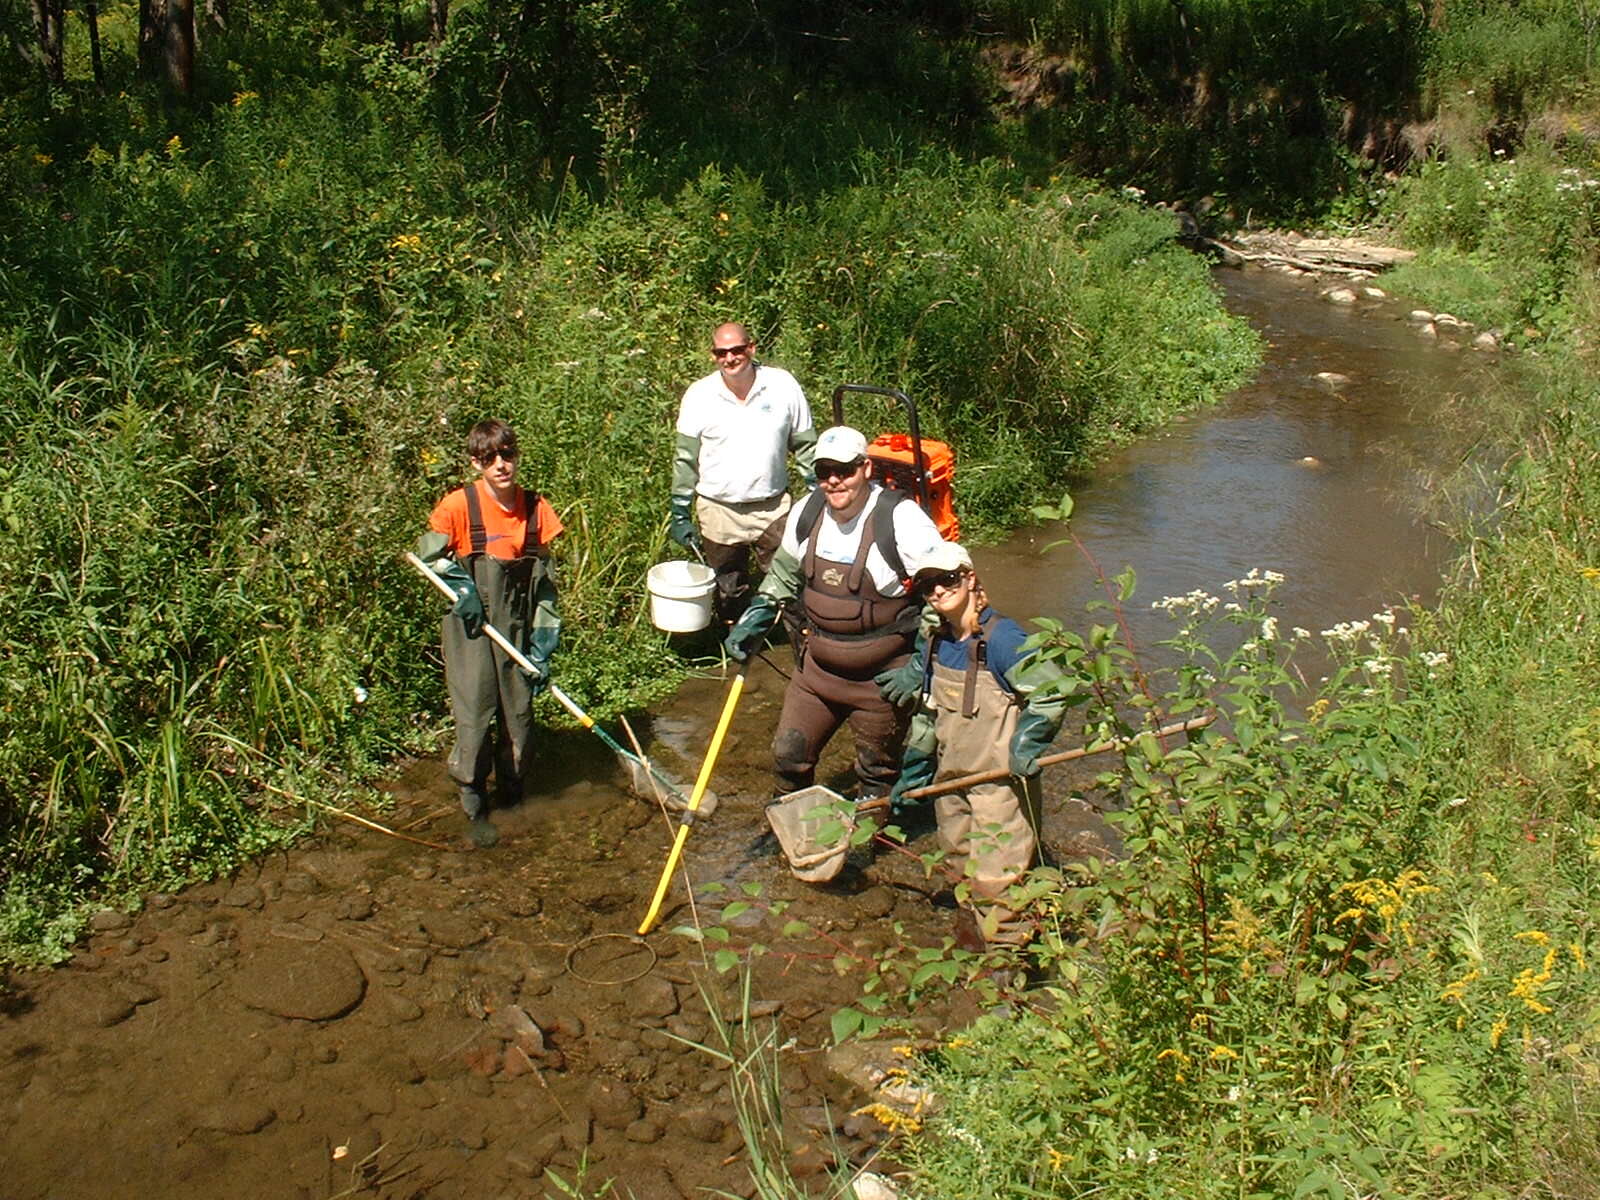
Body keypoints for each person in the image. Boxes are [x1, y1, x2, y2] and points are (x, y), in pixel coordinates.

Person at [725, 425, 943, 821]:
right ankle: (793, 837)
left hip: (881, 682)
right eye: (825, 471)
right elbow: (784, 575)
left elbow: (946, 594)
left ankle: (870, 854)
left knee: (876, 775)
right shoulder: (806, 513)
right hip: (817, 673)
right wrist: (757, 612)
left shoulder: (902, 520)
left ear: (865, 468)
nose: (834, 481)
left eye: (844, 470)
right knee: (788, 757)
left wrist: (918, 668)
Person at [879, 541, 1068, 946]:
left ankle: (1007, 968)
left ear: (969, 578)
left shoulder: (1004, 640)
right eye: (928, 585)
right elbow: (930, 714)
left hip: (1001, 785)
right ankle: (971, 943)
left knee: (998, 882)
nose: (938, 591)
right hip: (950, 782)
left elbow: (1053, 692)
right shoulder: (935, 642)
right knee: (958, 865)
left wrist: (1028, 745)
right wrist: (913, 770)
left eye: (946, 580)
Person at [416, 419, 563, 848]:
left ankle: (514, 798)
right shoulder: (458, 506)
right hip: (472, 630)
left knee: (519, 719)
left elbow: (546, 589)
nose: (501, 465)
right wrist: (462, 587)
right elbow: (428, 557)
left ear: (516, 455)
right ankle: (474, 804)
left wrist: (543, 645)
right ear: (476, 462)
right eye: (489, 458)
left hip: (516, 632)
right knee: (476, 717)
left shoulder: (538, 510)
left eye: (507, 455)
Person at [669, 322, 818, 623]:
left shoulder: (782, 385)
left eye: (737, 350)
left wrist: (820, 496)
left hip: (774, 508)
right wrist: (680, 511)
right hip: (719, 510)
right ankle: (736, 650)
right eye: (721, 352)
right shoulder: (699, 395)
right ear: (713, 356)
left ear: (751, 348)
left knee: (790, 586)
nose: (730, 358)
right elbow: (685, 460)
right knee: (729, 591)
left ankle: (800, 651)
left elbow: (805, 446)